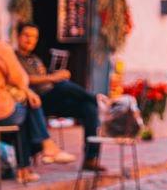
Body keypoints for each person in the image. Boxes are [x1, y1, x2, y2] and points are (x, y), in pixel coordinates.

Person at [0, 5, 74, 184]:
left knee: (23, 109)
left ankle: (27, 167)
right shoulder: (0, 49)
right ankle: (42, 150)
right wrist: (26, 91)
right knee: (28, 107)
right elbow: (21, 78)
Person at [14, 22, 104, 171]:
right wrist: (53, 78)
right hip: (34, 101)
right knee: (62, 85)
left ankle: (90, 158)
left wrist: (53, 78)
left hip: (51, 98)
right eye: (26, 36)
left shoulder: (35, 59)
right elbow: (24, 79)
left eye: (34, 37)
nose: (30, 40)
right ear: (18, 37)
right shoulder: (13, 58)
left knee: (89, 108)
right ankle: (95, 98)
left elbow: (43, 78)